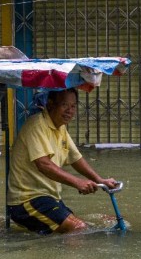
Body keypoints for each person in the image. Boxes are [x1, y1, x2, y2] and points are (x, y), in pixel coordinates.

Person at [7, 88, 117, 234]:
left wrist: (100, 180)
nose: (69, 111)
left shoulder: (61, 128)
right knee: (77, 228)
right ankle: (67, 258)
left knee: (84, 226)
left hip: (49, 198)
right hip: (27, 200)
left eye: (73, 106)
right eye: (64, 105)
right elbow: (44, 164)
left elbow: (75, 158)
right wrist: (77, 182)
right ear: (51, 104)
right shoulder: (37, 125)